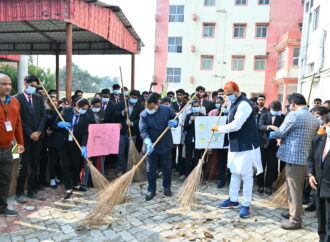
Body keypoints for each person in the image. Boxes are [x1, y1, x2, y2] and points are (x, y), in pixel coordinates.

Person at [211, 81, 263, 218]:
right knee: (234, 172)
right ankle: (233, 200)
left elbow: (236, 125)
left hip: (246, 145)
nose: (228, 97)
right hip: (235, 144)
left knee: (246, 175)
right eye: (226, 95)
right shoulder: (234, 103)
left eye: (229, 94)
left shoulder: (244, 104)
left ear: (237, 91)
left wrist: (219, 129)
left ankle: (246, 204)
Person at [270, 93, 319, 230]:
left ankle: (296, 220)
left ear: (293, 103)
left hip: (294, 157)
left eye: (288, 104)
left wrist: (270, 132)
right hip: (306, 158)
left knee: (294, 190)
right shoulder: (313, 118)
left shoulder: (294, 115)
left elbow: (280, 132)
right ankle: (293, 212)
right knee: (294, 188)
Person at [139, 93, 178, 201]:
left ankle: (167, 187)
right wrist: (147, 140)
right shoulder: (144, 114)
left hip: (165, 143)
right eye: (147, 107)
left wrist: (174, 123)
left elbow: (175, 118)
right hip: (151, 145)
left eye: (151, 107)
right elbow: (143, 130)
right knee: (150, 169)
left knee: (166, 168)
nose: (148, 109)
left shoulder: (166, 109)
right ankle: (151, 190)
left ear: (157, 104)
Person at [15, 75, 46, 203]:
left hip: (37, 137)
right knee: (23, 164)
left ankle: (32, 190)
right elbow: (18, 119)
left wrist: (38, 131)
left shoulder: (39, 98)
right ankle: (19, 192)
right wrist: (30, 133)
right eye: (31, 86)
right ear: (25, 83)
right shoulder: (16, 99)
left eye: (35, 86)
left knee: (34, 164)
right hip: (23, 138)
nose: (33, 88)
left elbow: (43, 116)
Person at [0, 74, 24, 216]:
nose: (8, 86)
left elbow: (18, 124)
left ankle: (2, 207)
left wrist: (20, 142)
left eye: (9, 84)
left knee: (5, 179)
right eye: (4, 84)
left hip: (8, 148)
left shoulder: (14, 101)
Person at [56, 98, 90, 199]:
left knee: (76, 165)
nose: (84, 110)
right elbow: (55, 122)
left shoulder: (86, 116)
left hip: (76, 144)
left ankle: (76, 184)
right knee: (65, 165)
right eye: (83, 108)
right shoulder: (67, 111)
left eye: (86, 109)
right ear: (77, 106)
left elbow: (85, 133)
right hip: (64, 142)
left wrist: (84, 145)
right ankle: (68, 187)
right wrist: (60, 124)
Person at [308, 113, 330, 242]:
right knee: (321, 219)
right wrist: (311, 175)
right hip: (317, 186)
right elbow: (310, 159)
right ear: (326, 124)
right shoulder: (318, 139)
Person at [257, 101, 285, 195]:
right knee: (261, 165)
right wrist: (270, 126)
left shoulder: (283, 117)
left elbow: (284, 129)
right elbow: (260, 126)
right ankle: (260, 184)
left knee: (272, 167)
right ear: (270, 109)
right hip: (263, 144)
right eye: (274, 110)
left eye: (278, 110)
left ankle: (268, 186)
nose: (276, 111)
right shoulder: (264, 115)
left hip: (275, 145)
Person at [114, 90, 144, 175]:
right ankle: (120, 169)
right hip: (121, 132)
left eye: (135, 98)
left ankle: (128, 169)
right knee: (120, 152)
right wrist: (123, 112)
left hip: (132, 133)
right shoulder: (121, 104)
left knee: (130, 152)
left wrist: (132, 123)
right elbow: (115, 115)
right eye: (132, 97)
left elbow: (141, 119)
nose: (133, 99)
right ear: (129, 96)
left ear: (138, 98)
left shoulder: (140, 106)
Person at [206, 96, 229, 188]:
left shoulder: (232, 116)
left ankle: (231, 179)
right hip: (220, 142)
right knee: (221, 161)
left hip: (230, 142)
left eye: (226, 107)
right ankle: (221, 179)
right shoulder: (217, 116)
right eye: (223, 107)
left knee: (230, 162)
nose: (225, 109)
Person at [183, 100, 205, 179]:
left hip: (198, 141)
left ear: (200, 107)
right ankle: (187, 175)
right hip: (189, 139)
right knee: (188, 157)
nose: (195, 108)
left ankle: (195, 176)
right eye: (194, 106)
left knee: (197, 158)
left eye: (197, 106)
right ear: (191, 107)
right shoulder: (189, 115)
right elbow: (185, 127)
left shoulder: (203, 116)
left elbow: (204, 129)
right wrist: (190, 121)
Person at [45, 96, 62, 188]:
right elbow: (48, 123)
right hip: (51, 138)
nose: (55, 102)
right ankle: (51, 178)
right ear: (48, 102)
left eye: (56, 101)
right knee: (53, 159)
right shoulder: (47, 112)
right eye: (52, 101)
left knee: (59, 160)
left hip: (59, 138)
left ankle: (56, 176)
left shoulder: (60, 111)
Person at [172, 89, 186, 176]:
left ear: (184, 96)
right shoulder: (172, 105)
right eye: (177, 95)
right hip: (174, 130)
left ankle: (180, 168)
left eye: (181, 95)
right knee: (173, 149)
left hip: (183, 131)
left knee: (181, 150)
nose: (179, 96)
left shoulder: (187, 105)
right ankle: (172, 166)